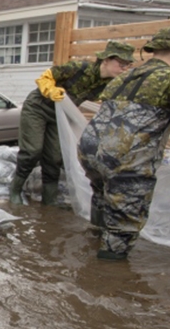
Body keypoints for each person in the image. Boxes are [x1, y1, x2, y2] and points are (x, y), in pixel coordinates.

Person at [78, 29, 170, 260]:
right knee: (123, 223)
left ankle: (94, 241)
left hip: (91, 150)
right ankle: (105, 279)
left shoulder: (125, 76)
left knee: (102, 197)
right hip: (125, 158)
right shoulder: (167, 78)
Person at [9, 41, 135, 206]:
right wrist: (51, 90)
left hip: (59, 116)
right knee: (32, 151)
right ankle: (15, 190)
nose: (125, 68)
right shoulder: (79, 68)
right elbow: (45, 77)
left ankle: (49, 200)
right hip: (38, 108)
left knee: (54, 158)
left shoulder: (107, 85)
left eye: (128, 65)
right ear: (106, 60)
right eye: (121, 64)